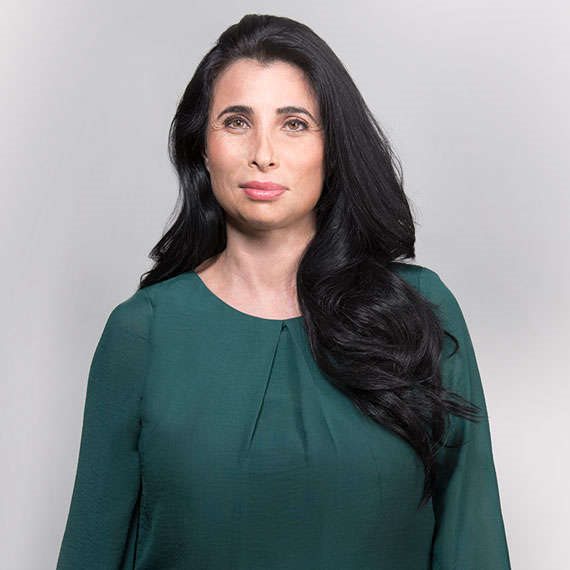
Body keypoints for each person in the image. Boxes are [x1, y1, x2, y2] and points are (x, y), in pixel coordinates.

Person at [56, 13, 511, 570]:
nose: (263, 152)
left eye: (294, 123)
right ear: (202, 147)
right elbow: (91, 549)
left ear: (332, 147)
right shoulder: (144, 332)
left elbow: (473, 541)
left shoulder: (417, 310)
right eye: (236, 122)